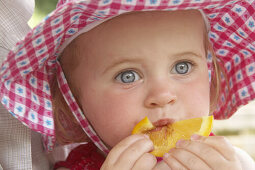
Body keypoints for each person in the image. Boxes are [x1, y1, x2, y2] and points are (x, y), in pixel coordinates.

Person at [0, 0, 255, 169]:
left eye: (182, 67)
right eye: (128, 76)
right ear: (74, 102)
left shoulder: (233, 162)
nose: (163, 95)